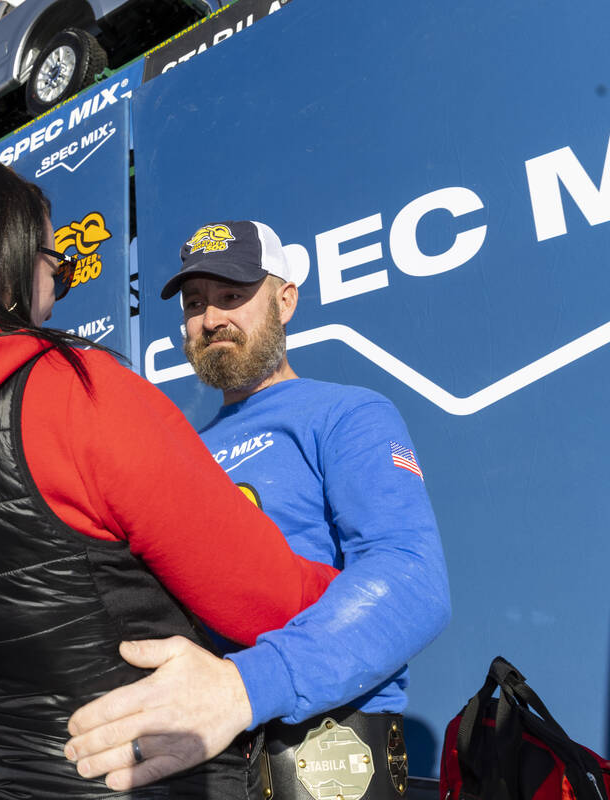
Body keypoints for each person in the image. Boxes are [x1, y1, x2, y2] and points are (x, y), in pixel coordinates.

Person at [0, 151, 340, 799]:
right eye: (51, 264)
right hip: (142, 780)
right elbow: (273, 603)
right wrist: (369, 594)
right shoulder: (73, 393)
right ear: (3, 264)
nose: (57, 286)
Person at [64, 221, 451, 797]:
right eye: (195, 304)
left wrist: (242, 688)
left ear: (285, 299)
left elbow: (411, 579)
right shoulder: (183, 449)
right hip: (196, 754)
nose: (212, 318)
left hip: (321, 744)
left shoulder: (347, 413)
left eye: (232, 296)